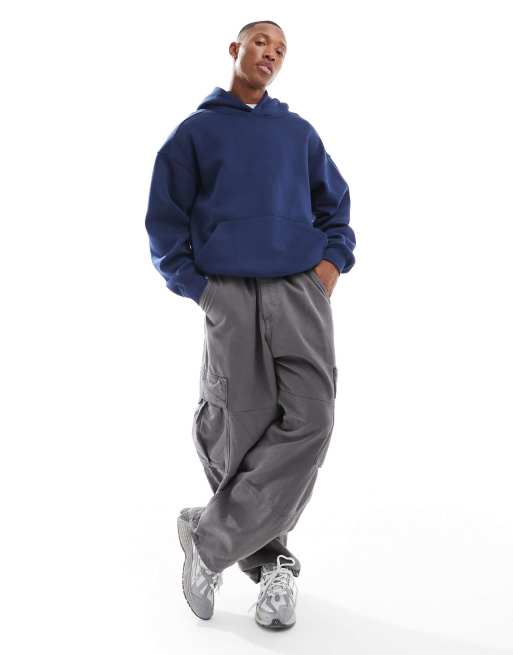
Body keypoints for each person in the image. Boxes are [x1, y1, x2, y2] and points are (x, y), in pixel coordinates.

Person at [144, 19, 356, 630]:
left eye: (281, 49)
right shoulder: (195, 132)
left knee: (312, 419)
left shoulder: (298, 133)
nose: (271, 54)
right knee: (237, 428)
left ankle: (208, 538)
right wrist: (203, 289)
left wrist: (327, 269)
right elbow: (164, 222)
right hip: (230, 293)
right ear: (236, 49)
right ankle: (273, 569)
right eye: (262, 42)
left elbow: (336, 210)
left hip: (298, 292)